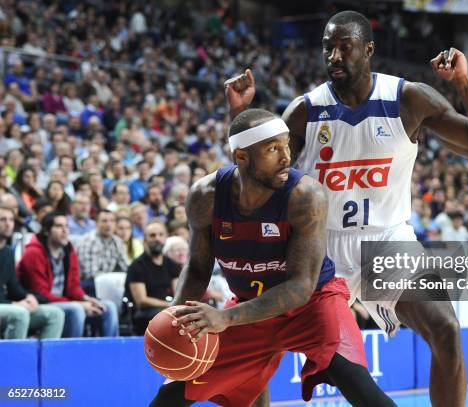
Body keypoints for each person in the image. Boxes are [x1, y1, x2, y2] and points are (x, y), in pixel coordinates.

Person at [225, 10, 468, 407]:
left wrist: (464, 82)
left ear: (369, 49)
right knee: (259, 342)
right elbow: (256, 178)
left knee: (446, 329)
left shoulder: (408, 98)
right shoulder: (306, 111)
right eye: (328, 48)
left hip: (387, 241)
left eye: (345, 47)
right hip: (318, 248)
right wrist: (239, 116)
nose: (335, 57)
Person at [149, 109, 395, 407]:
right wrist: (175, 319)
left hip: (313, 306)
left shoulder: (305, 195)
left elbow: (300, 287)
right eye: (272, 148)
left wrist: (225, 318)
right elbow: (199, 269)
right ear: (241, 157)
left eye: (286, 145)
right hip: (249, 308)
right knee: (169, 397)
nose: (286, 157)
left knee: (362, 390)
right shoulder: (206, 196)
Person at [16, 211, 119, 338]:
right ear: (47, 231)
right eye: (59, 226)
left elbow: (73, 287)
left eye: (67, 227)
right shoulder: (33, 253)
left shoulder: (69, 250)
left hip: (64, 301)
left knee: (107, 307)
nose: (65, 231)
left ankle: (110, 355)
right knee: (76, 310)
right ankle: (71, 355)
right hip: (40, 303)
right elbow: (41, 293)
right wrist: (80, 304)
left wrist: (86, 299)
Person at [0, 204, 65, 339]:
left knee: (55, 314)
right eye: (3, 220)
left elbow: (14, 287)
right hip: (7, 306)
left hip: (7, 306)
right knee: (19, 314)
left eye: (11, 220)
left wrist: (28, 297)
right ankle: (15, 360)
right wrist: (14, 304)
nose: (8, 224)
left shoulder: (7, 252)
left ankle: (45, 360)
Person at [125, 220, 181, 335]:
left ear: (166, 238)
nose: (157, 238)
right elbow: (141, 301)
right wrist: (169, 306)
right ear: (145, 239)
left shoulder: (172, 265)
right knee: (166, 317)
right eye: (152, 235)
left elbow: (178, 292)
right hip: (143, 312)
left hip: (168, 309)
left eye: (161, 235)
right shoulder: (136, 266)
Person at [76, 209, 129, 296]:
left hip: (107, 283)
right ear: (96, 223)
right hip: (87, 285)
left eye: (112, 221)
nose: (108, 224)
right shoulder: (89, 241)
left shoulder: (118, 241)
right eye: (104, 221)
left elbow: (125, 267)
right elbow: (90, 274)